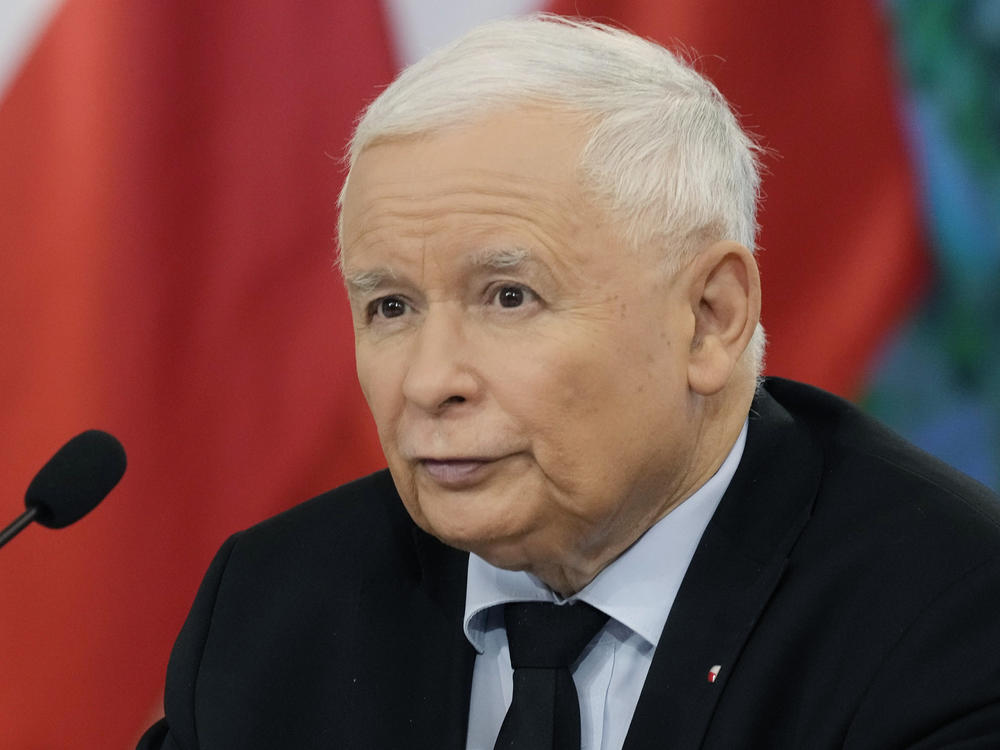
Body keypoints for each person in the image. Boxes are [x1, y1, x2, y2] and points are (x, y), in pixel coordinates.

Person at [138, 14, 1000, 750]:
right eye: (391, 306)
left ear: (710, 317)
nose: (430, 381)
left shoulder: (950, 614)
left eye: (510, 296)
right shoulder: (274, 606)